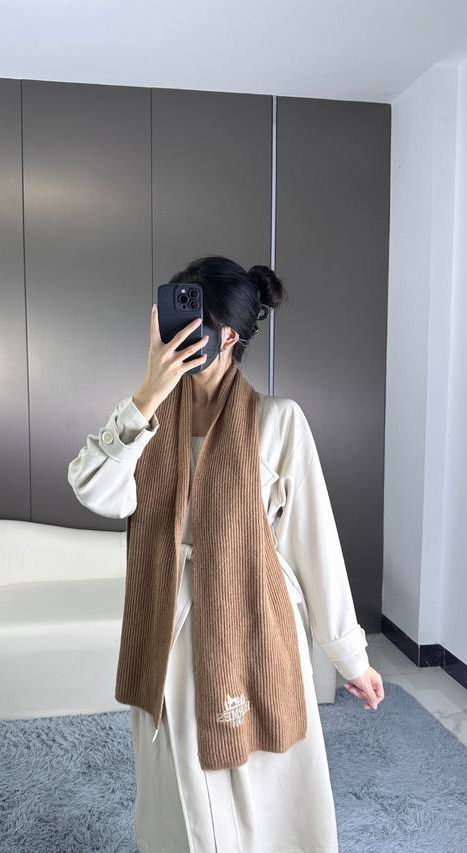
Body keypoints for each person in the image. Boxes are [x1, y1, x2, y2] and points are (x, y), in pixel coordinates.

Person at [67, 255, 384, 853]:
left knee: (258, 782)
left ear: (230, 336)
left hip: (253, 625)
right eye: (172, 318)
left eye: (197, 323)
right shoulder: (145, 419)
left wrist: (351, 658)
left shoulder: (278, 421)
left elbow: (315, 543)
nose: (178, 334)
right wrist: (147, 392)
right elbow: (95, 492)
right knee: (182, 787)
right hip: (168, 626)